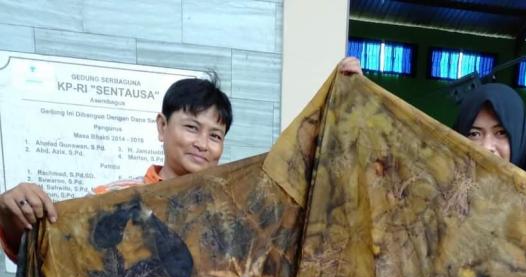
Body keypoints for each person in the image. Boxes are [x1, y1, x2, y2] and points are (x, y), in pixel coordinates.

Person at [0, 59, 363, 264]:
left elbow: (304, 222)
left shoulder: (237, 213)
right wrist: (11, 213)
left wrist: (346, 105)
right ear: (162, 126)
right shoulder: (112, 200)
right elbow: (43, 254)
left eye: (215, 135)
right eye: (191, 127)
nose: (202, 144)